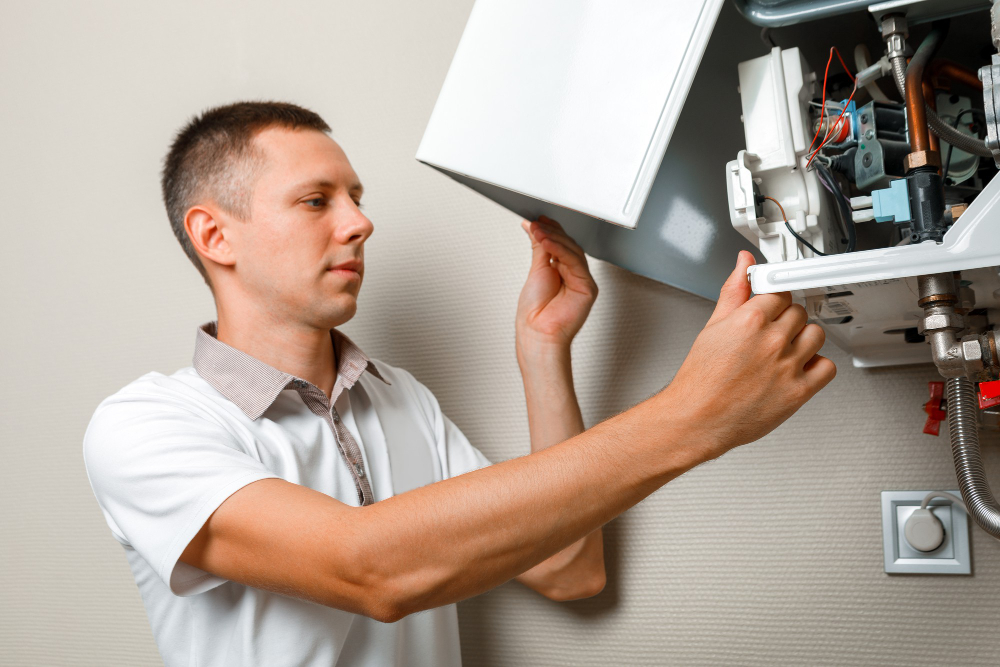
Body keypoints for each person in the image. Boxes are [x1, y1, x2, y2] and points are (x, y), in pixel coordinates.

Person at [82, 101, 835, 667]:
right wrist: (688, 417)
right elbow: (368, 567)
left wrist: (544, 354)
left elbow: (569, 568)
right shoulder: (147, 426)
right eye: (318, 201)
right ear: (215, 235)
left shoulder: (399, 397)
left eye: (356, 196)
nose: (360, 222)